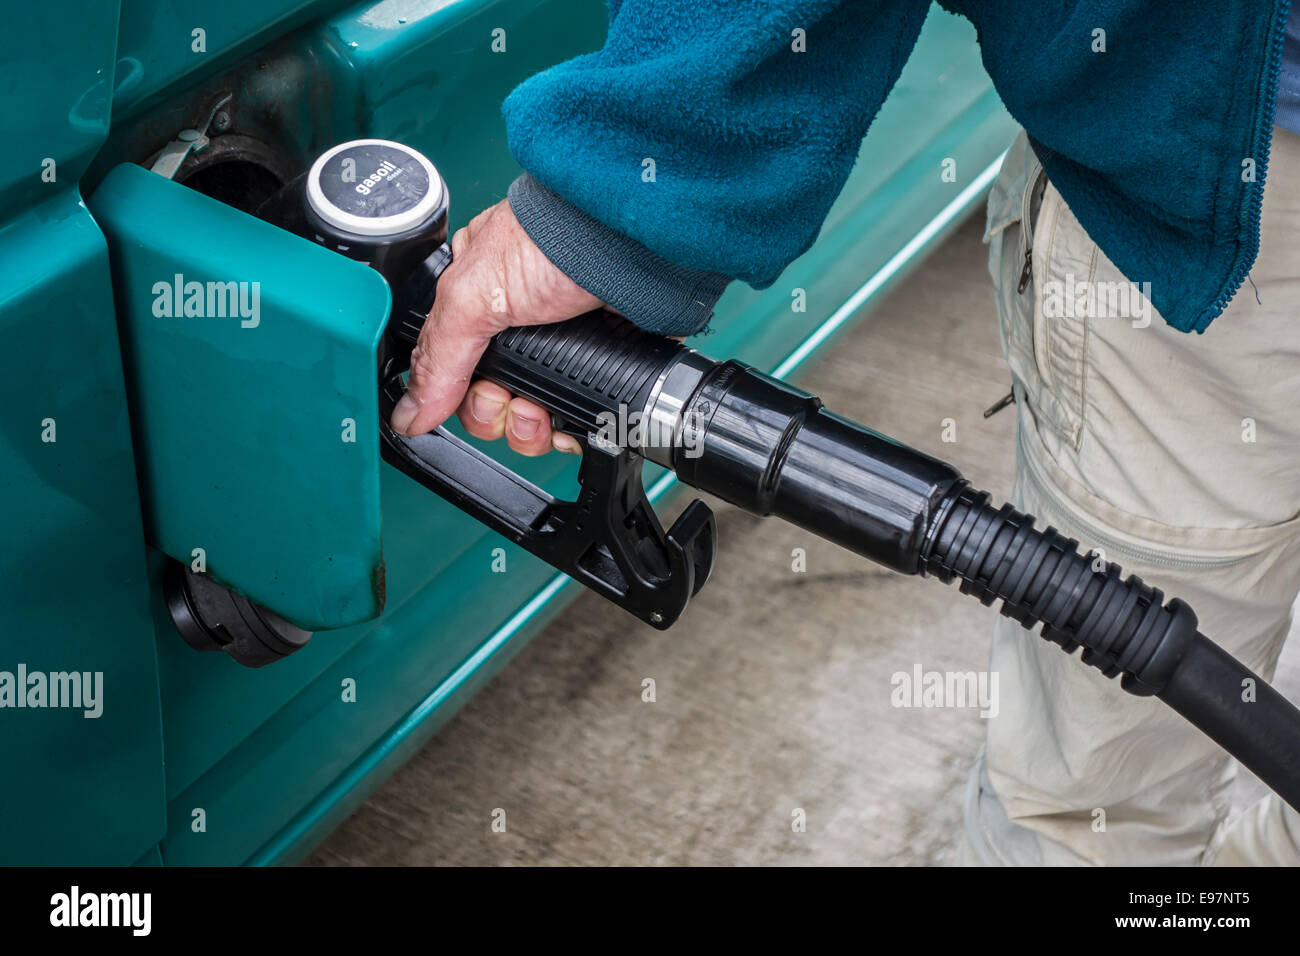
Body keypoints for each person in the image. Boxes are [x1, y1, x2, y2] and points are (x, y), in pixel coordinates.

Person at [389, 1, 1300, 865]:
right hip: (1221, 182)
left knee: (1097, 815)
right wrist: (610, 219)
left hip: (1215, 163)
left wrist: (608, 211)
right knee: (1105, 798)